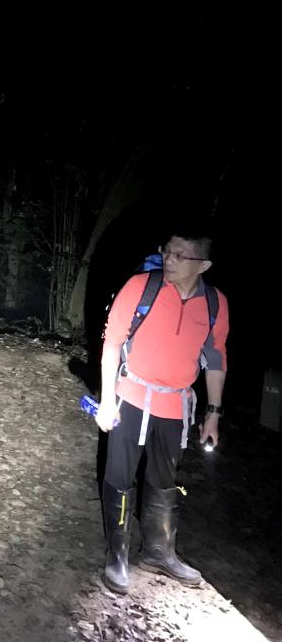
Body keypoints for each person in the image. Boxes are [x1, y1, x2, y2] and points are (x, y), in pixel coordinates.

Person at [96, 229, 229, 595]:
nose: (169, 259)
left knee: (164, 480)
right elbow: (112, 343)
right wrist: (107, 400)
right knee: (120, 476)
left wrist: (213, 412)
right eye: (167, 251)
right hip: (131, 396)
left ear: (203, 265)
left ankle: (158, 551)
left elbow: (216, 358)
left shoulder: (215, 303)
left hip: (175, 405)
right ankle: (117, 555)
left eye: (179, 255)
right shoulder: (141, 287)